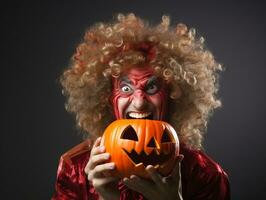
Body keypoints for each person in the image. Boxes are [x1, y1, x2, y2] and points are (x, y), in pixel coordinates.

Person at [52, 13, 230, 200]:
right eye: (126, 88)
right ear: (107, 96)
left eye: (152, 87)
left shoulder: (205, 176)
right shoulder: (76, 169)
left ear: (173, 95)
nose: (139, 102)